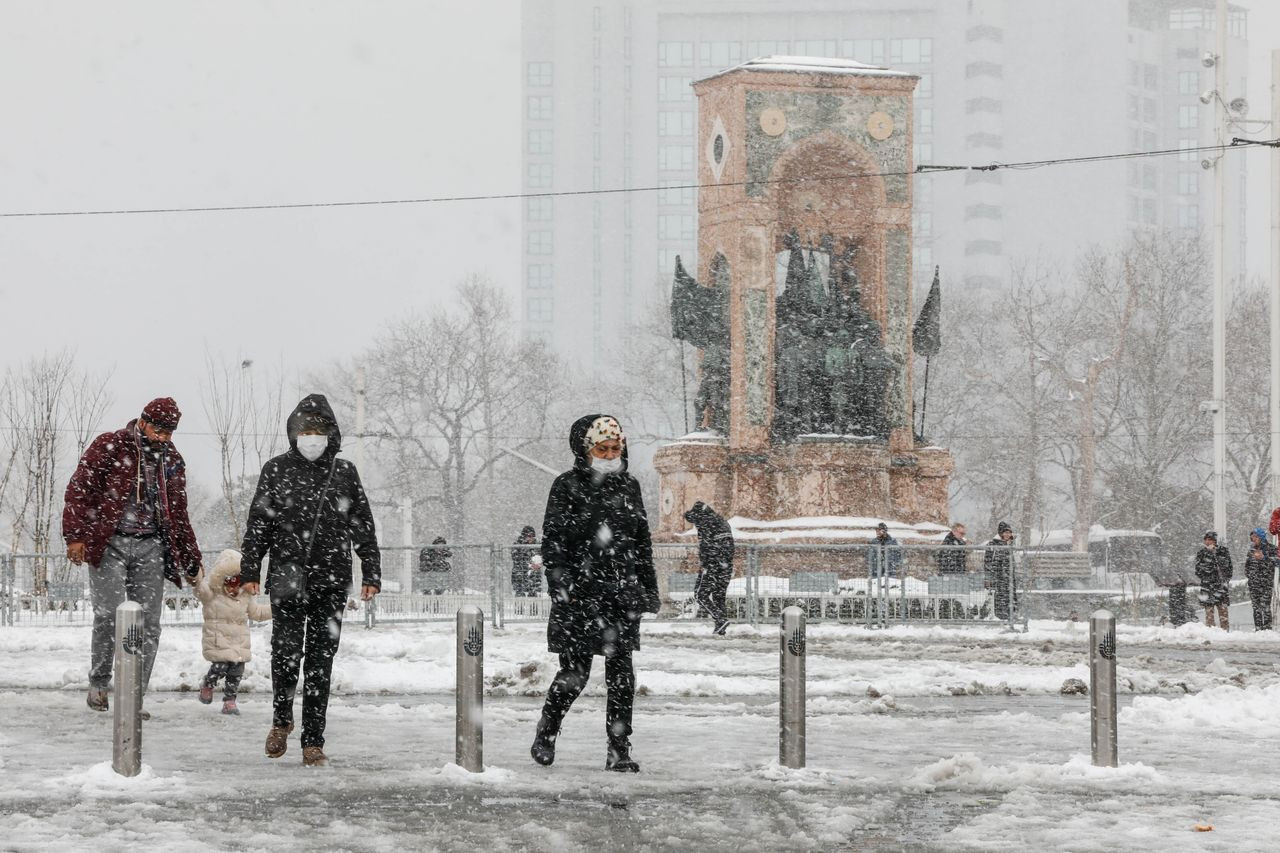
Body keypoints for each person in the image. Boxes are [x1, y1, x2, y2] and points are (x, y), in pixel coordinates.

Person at [240, 394, 380, 767]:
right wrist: (251, 569)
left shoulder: (344, 471)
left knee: (321, 661)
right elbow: (259, 524)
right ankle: (281, 720)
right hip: (287, 577)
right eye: (305, 430)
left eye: (318, 430)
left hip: (332, 578)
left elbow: (362, 523)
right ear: (293, 433)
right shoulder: (276, 469)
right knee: (285, 655)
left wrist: (371, 571)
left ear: (331, 434)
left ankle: (313, 739)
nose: (312, 437)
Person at [530, 414, 659, 773]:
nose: (610, 454)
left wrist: (647, 588)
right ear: (585, 451)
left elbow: (641, 540)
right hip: (581, 595)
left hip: (621, 595)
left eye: (615, 448)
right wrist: (562, 586)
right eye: (602, 448)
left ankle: (619, 749)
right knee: (575, 675)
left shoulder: (629, 486)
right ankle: (547, 731)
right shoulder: (566, 486)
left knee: (621, 677)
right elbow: (553, 541)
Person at [62, 397, 202, 716]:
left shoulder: (172, 461)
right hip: (108, 542)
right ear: (143, 422)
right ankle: (99, 682)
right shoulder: (110, 446)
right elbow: (79, 489)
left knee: (148, 624)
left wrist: (191, 557)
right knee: (109, 615)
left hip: (151, 546)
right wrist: (75, 536)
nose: (164, 437)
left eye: (170, 432)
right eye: (159, 429)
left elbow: (179, 513)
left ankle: (133, 695)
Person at [195, 549, 271, 715]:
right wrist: (196, 575)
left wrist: (277, 608)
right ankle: (208, 684)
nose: (235, 586)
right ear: (222, 580)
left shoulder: (245, 597)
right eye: (231, 580)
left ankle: (229, 701)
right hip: (218, 640)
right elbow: (200, 589)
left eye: (239, 581)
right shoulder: (212, 594)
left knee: (236, 671)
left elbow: (257, 613)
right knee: (220, 667)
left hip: (239, 642)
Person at [684, 501, 735, 635]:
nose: (695, 525)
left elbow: (708, 547)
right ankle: (720, 629)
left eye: (696, 521)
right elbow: (728, 547)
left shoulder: (707, 524)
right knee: (719, 596)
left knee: (700, 594)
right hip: (726, 566)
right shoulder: (722, 522)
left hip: (712, 566)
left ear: (700, 516)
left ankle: (720, 619)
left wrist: (707, 564)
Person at [1193, 530, 1232, 630]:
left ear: (1215, 541)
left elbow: (1228, 568)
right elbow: (1198, 570)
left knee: (1223, 613)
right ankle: (1211, 632)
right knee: (1209, 614)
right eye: (1205, 540)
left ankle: (1225, 632)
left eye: (1209, 540)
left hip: (1220, 586)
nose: (1207, 542)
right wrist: (1207, 573)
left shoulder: (1223, 551)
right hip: (1207, 586)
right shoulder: (1201, 553)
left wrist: (1225, 581)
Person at [983, 522, 1016, 621]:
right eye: (1005, 532)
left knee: (1010, 596)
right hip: (998, 576)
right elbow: (987, 561)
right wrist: (989, 575)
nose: (1008, 535)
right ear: (1001, 533)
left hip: (1009, 576)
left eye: (1009, 532)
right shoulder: (993, 544)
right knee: (998, 597)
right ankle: (999, 616)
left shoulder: (1010, 544)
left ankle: (1010, 615)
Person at [1244, 527, 1275, 631]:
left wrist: (1264, 558)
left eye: (1255, 536)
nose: (1253, 539)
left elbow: (1277, 562)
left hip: (1266, 583)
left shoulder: (1271, 548)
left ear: (1261, 537)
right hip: (1253, 583)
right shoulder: (1251, 550)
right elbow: (1247, 566)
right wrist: (1250, 575)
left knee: (1265, 606)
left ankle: (1267, 629)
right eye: (1252, 537)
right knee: (1256, 608)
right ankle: (1258, 628)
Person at [511, 526, 541, 596]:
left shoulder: (537, 545)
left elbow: (540, 558)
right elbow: (515, 558)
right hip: (519, 575)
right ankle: (519, 606)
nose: (531, 538)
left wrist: (537, 563)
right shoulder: (517, 545)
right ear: (524, 536)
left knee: (533, 596)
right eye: (529, 536)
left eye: (533, 536)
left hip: (534, 576)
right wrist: (529, 563)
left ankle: (533, 606)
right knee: (520, 595)